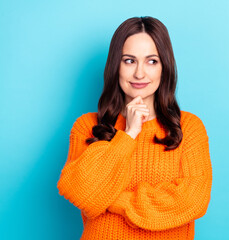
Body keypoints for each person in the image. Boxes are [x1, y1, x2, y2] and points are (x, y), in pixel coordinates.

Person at [57, 16, 213, 240]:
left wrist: (111, 200)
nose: (140, 73)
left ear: (164, 67)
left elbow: (193, 200)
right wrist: (128, 134)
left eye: (151, 61)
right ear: (115, 66)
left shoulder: (188, 128)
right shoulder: (88, 126)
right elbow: (80, 191)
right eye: (129, 60)